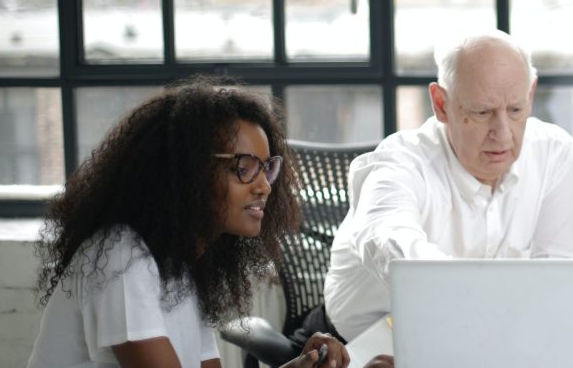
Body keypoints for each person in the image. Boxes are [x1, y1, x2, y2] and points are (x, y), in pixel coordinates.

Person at [28, 77, 353, 368]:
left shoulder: (182, 268)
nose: (264, 186)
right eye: (244, 166)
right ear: (187, 172)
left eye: (267, 168)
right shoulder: (121, 257)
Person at [322, 29, 573, 341]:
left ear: (531, 94)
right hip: (363, 348)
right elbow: (386, 239)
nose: (503, 135)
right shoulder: (398, 162)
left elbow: (567, 275)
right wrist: (480, 303)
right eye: (482, 112)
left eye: (516, 110)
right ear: (441, 104)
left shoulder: (552, 151)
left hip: (485, 343)